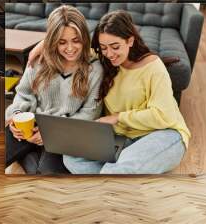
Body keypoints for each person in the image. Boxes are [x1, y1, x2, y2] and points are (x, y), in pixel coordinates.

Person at [28, 10, 191, 174]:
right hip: (122, 138)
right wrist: (42, 45)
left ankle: (113, 177)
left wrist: (118, 117)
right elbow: (74, 47)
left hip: (162, 134)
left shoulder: (153, 67)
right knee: (71, 157)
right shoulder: (106, 60)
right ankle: (114, 178)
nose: (110, 53)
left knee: (116, 171)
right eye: (104, 48)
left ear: (130, 40)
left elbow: (164, 116)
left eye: (115, 47)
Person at [5, 5, 103, 174]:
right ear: (52, 41)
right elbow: (23, 94)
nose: (70, 48)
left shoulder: (95, 69)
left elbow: (89, 114)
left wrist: (51, 134)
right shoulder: (39, 61)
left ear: (84, 39)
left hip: (64, 132)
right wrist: (16, 116)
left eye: (76, 40)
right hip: (31, 126)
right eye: (62, 42)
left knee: (45, 171)